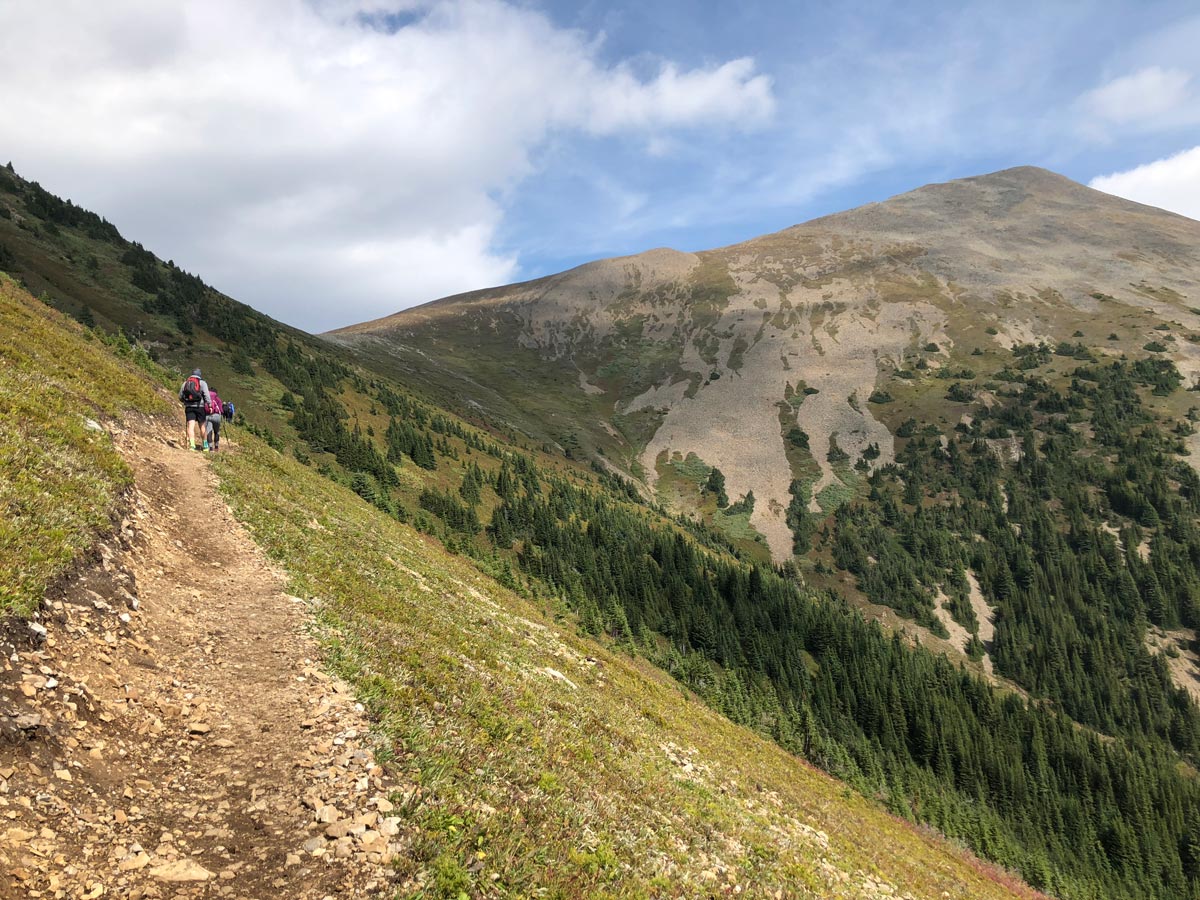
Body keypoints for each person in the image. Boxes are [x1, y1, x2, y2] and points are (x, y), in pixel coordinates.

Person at [179, 368, 211, 451]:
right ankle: (205, 446)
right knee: (202, 426)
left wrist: (185, 402)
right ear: (199, 375)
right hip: (200, 407)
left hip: (189, 407)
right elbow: (207, 395)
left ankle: (192, 446)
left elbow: (180, 396)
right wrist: (209, 405)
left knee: (191, 426)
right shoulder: (202, 383)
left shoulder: (186, 383)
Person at [205, 386, 225, 453]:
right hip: (217, 416)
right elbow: (221, 410)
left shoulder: (206, 398)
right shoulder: (218, 399)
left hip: (208, 416)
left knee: (209, 431)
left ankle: (210, 448)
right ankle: (216, 447)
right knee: (216, 431)